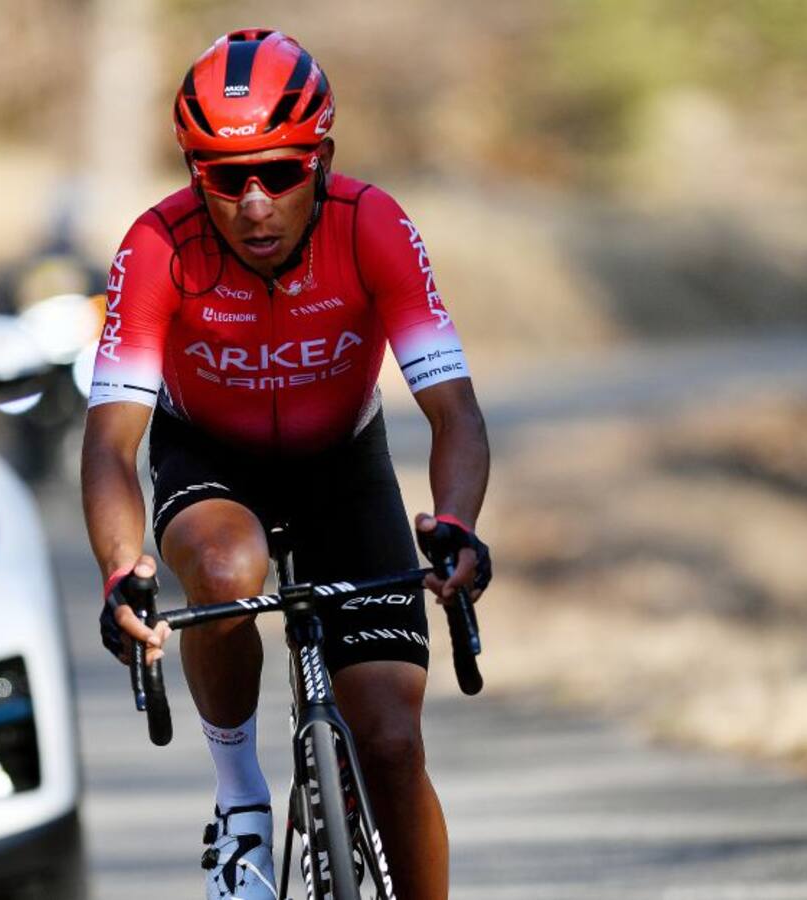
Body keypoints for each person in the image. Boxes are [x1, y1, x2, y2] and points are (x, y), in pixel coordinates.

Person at [81, 28, 491, 899]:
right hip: (211, 461)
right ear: (196, 173)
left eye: (281, 173)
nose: (255, 204)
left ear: (324, 159)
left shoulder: (371, 224)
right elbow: (111, 442)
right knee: (228, 570)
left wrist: (456, 523)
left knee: (389, 742)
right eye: (226, 180)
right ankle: (240, 806)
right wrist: (124, 570)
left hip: (343, 463)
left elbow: (455, 412)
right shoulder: (157, 245)